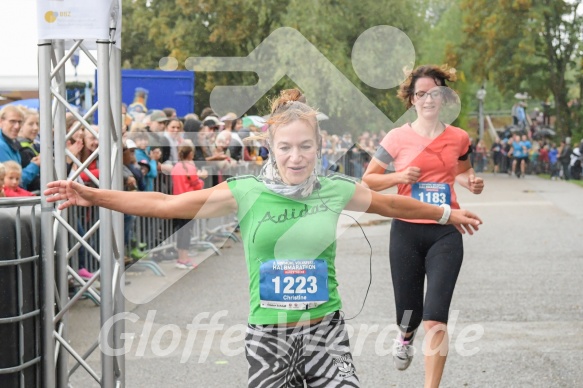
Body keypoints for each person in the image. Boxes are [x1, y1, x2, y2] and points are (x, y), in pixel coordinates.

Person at [45, 89, 482, 388]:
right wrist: (91, 193)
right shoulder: (246, 191)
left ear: (319, 146)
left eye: (306, 146)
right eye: (287, 147)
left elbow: (395, 206)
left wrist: (448, 213)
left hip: (326, 332)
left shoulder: (335, 188)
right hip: (269, 335)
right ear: (271, 147)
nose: (297, 157)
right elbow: (163, 205)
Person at [361, 65, 485, 388]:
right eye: (420, 94)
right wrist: (398, 178)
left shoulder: (458, 137)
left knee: (435, 317)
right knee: (409, 313)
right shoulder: (397, 137)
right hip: (406, 230)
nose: (427, 99)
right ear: (412, 100)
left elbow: (461, 171)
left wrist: (470, 181)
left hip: (445, 231)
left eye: (433, 93)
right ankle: (404, 338)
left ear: (443, 97)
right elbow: (369, 180)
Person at [170, 140, 207, 269]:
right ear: (190, 153)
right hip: (189, 202)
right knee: (187, 231)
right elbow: (197, 185)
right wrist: (202, 178)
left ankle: (181, 257)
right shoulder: (190, 167)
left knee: (181, 231)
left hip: (177, 201)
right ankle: (183, 258)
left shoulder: (176, 167)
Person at [0, 106, 40, 189]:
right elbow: (13, 182)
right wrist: (35, 165)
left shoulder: (11, 142)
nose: (17, 126)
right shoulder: (2, 146)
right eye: (12, 121)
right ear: (1, 121)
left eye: (19, 122)